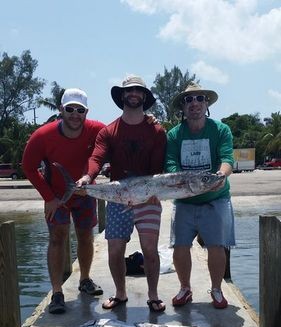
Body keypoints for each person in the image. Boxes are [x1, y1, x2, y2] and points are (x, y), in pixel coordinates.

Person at [77, 75, 167, 312]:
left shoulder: (157, 130)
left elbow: (159, 168)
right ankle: (120, 293)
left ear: (144, 97)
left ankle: (154, 295)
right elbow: (97, 157)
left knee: (150, 249)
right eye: (129, 90)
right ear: (122, 96)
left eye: (138, 90)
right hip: (118, 197)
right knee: (115, 248)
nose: (134, 94)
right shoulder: (109, 131)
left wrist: (153, 191)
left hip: (149, 198)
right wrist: (88, 178)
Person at [22, 88, 105, 314]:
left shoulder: (97, 130)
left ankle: (85, 279)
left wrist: (150, 119)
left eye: (80, 110)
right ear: (61, 110)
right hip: (57, 196)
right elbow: (28, 166)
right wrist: (49, 197)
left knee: (86, 236)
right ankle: (57, 292)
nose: (75, 114)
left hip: (85, 194)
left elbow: (115, 141)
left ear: (86, 112)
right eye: (70, 109)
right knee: (57, 238)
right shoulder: (43, 135)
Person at [165, 82, 235, 309]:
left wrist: (221, 176)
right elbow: (171, 162)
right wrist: (181, 180)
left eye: (199, 98)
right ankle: (185, 288)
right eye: (188, 99)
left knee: (217, 245)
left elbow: (227, 158)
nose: (194, 103)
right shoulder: (174, 135)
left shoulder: (221, 130)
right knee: (180, 246)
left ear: (206, 104)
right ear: (182, 107)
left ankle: (216, 289)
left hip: (215, 198)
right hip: (184, 199)